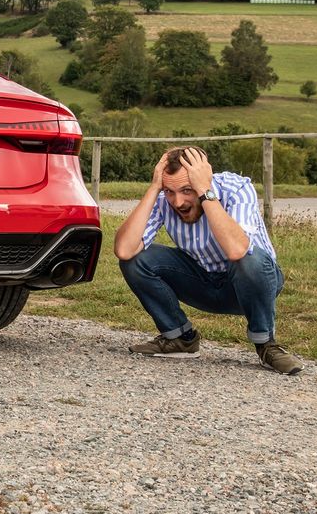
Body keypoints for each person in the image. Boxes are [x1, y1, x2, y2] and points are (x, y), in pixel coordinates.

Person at [112, 146, 303, 375]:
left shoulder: (237, 188)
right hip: (202, 281)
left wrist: (205, 191)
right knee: (135, 259)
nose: (178, 202)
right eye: (170, 191)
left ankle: (267, 346)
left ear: (205, 178)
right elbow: (124, 249)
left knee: (248, 258)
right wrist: (154, 189)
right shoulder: (165, 199)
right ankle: (180, 339)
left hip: (251, 283)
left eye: (187, 190)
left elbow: (237, 250)